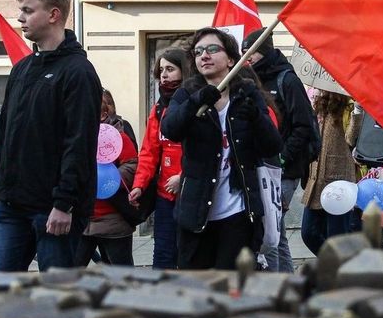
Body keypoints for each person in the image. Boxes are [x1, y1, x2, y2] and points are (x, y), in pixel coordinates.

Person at [0, 0, 103, 272]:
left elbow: (80, 144)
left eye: (27, 10)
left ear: (54, 14)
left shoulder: (79, 72)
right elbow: (7, 133)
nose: (20, 18)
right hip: (12, 204)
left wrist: (64, 204)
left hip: (53, 208)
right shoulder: (23, 68)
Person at [160, 27, 282, 270]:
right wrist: (197, 101)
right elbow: (170, 128)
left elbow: (272, 145)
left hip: (239, 212)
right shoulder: (187, 92)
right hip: (197, 214)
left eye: (212, 49)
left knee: (232, 288)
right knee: (198, 289)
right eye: (198, 51)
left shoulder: (246, 91)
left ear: (230, 59)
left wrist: (256, 117)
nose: (204, 55)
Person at [243, 28, 319, 273]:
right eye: (243, 53)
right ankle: (288, 285)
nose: (245, 59)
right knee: (277, 234)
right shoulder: (254, 81)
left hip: (284, 171)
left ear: (263, 53)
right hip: (264, 168)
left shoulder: (287, 79)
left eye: (250, 54)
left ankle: (276, 291)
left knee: (269, 234)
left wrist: (282, 158)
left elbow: (304, 125)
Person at [128, 48, 191, 269]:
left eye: (170, 69)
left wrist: (183, 178)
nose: (163, 75)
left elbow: (210, 152)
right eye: (161, 70)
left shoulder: (197, 104)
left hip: (193, 195)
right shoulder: (158, 110)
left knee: (190, 257)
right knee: (163, 256)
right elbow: (148, 153)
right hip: (165, 196)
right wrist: (139, 186)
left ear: (185, 71)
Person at [300, 90, 357, 255]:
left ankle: (338, 272)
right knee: (308, 233)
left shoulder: (349, 105)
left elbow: (351, 139)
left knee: (337, 237)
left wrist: (357, 112)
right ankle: (336, 264)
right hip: (316, 180)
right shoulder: (317, 102)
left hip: (339, 180)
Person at [78, 120, 139, 267]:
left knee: (121, 274)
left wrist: (109, 180)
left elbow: (133, 165)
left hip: (112, 218)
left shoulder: (117, 137)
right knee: (70, 272)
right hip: (82, 219)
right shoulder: (77, 135)